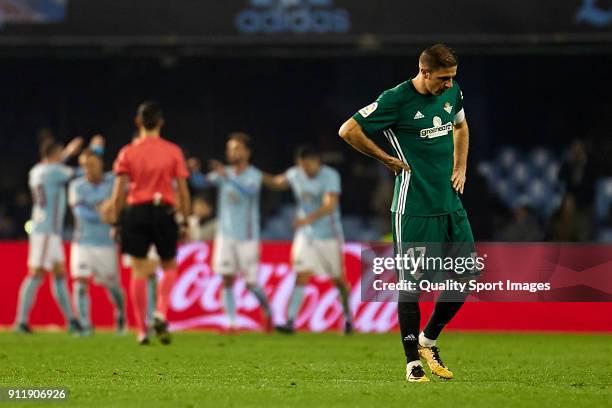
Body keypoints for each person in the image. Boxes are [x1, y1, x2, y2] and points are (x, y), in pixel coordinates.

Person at [339, 44, 473, 382]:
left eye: (452, 78)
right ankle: (413, 363)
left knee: (466, 275)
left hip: (449, 202)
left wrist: (461, 166)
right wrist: (386, 160)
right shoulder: (395, 100)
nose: (449, 84)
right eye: (443, 78)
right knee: (412, 285)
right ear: (424, 72)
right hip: (413, 207)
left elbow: (460, 126)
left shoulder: (452, 91)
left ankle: (429, 340)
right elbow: (348, 130)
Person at [111, 101, 191, 345]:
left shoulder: (128, 152)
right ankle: (161, 312)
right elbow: (184, 191)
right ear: (161, 123)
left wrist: (116, 222)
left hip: (136, 211)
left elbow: (118, 193)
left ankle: (142, 330)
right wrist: (185, 220)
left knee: (139, 270)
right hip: (163, 211)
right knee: (168, 264)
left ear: (138, 122)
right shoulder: (173, 151)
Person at [263, 145, 352, 334]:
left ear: (318, 162)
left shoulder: (330, 175)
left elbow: (330, 205)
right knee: (301, 275)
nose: (306, 170)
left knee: (338, 280)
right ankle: (290, 322)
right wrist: (255, 174)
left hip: (329, 234)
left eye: (309, 165)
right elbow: (277, 183)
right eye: (303, 166)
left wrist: (306, 219)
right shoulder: (295, 174)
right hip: (306, 235)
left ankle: (348, 319)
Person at [189, 132, 273, 332]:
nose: (232, 152)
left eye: (236, 148)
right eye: (230, 149)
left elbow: (249, 192)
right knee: (226, 278)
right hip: (225, 235)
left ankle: (268, 311)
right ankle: (231, 322)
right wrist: (193, 172)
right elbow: (202, 183)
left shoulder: (254, 175)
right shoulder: (223, 173)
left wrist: (228, 178)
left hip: (248, 236)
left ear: (247, 152)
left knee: (251, 283)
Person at [14, 136, 84, 334]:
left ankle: (71, 320)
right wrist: (77, 153)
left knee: (59, 273)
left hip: (47, 230)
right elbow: (78, 173)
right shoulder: (55, 171)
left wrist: (66, 152)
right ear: (54, 154)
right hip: (45, 232)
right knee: (35, 274)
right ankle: (21, 321)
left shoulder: (36, 171)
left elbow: (54, 166)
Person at [68, 144, 126, 335]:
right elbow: (80, 212)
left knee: (113, 287)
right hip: (82, 242)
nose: (88, 169)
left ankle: (120, 313)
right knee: (80, 282)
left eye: (91, 165)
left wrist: (112, 210)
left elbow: (119, 204)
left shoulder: (112, 182)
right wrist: (103, 212)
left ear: (100, 164)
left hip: (106, 243)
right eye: (84, 165)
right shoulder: (76, 186)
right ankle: (85, 324)